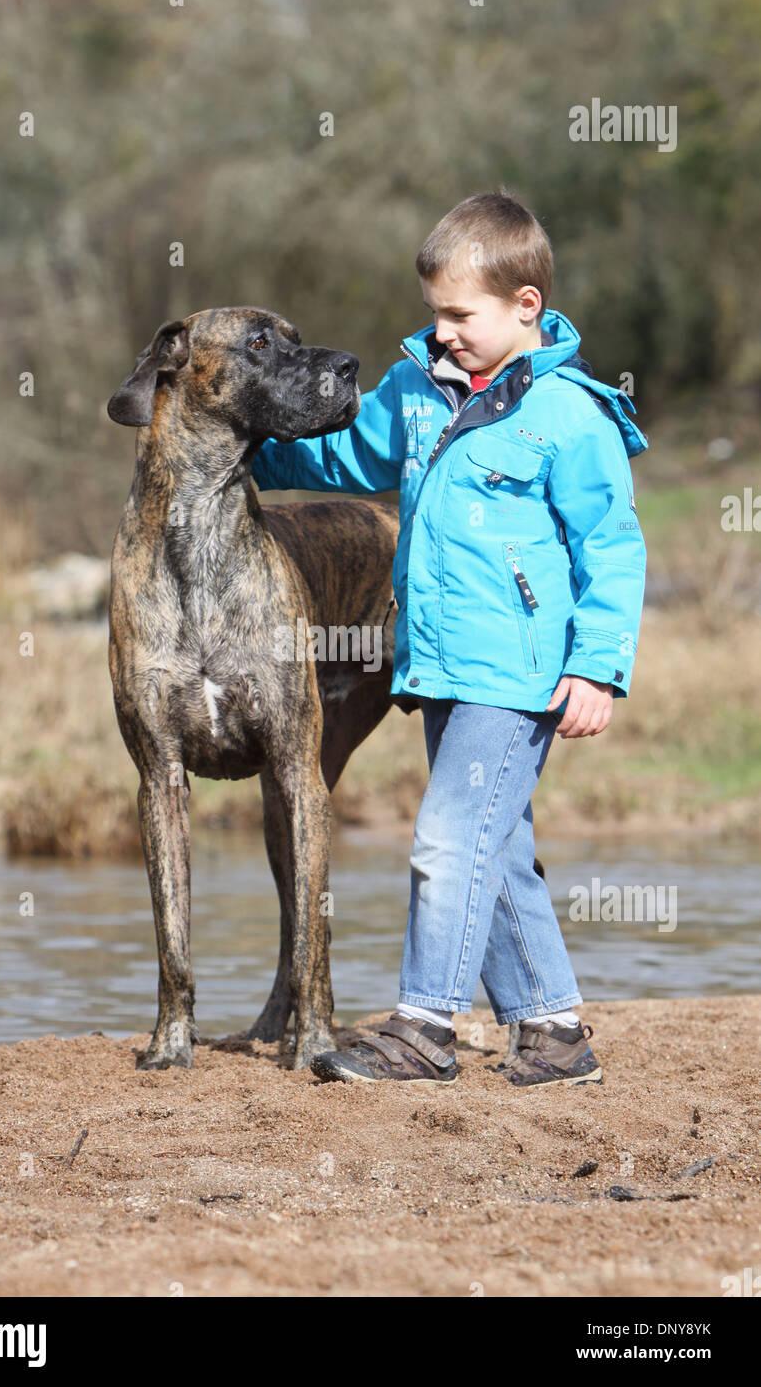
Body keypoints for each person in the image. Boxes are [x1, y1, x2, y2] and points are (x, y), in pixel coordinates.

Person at [249, 189, 647, 1088]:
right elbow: (347, 459)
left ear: (525, 306)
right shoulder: (419, 391)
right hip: (442, 665)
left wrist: (598, 670)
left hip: (519, 675)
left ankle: (425, 1026)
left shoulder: (572, 418)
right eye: (436, 311)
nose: (445, 330)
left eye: (461, 315)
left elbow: (613, 553)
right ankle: (555, 1034)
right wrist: (248, 446)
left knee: (446, 841)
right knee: (495, 850)